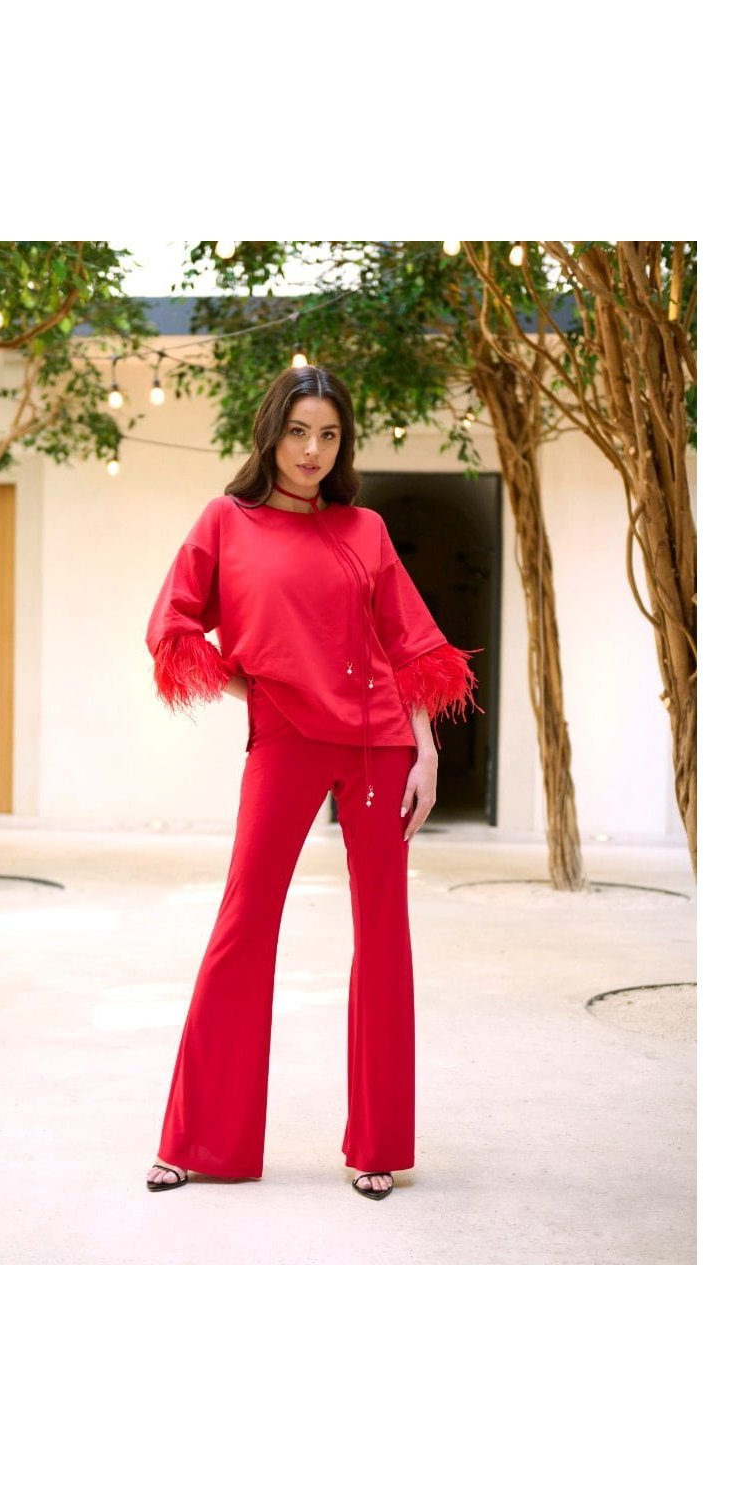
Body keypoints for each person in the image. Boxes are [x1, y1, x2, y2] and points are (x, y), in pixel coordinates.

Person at [143, 365, 482, 1200]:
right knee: (243, 924)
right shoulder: (227, 522)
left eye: (329, 435)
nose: (312, 451)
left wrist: (427, 751)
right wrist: (254, 687)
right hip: (287, 739)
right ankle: (197, 1140)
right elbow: (174, 625)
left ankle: (377, 1146)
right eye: (298, 432)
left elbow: (408, 645)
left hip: (379, 748)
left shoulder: (364, 529)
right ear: (271, 434)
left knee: (384, 935)